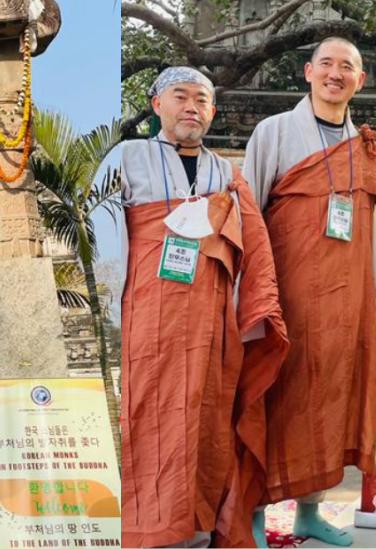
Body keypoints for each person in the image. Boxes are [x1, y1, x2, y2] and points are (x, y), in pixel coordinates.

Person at [119, 66, 288, 547]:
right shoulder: (127, 158)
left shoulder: (225, 171)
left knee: (207, 415)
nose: (191, 106)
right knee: (147, 412)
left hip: (212, 315)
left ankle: (196, 524)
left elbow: (253, 245)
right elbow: (106, 238)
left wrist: (252, 312)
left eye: (202, 100)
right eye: (181, 96)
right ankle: (146, 525)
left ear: (212, 112)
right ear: (156, 105)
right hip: (147, 313)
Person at [244, 38, 376, 548]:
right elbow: (249, 213)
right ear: (307, 72)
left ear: (359, 80)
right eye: (326, 64)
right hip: (287, 295)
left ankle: (309, 511)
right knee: (275, 395)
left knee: (328, 401)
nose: (335, 73)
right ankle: (253, 512)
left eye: (347, 67)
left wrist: (375, 290)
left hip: (345, 299)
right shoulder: (274, 131)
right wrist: (252, 294)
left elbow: (368, 223)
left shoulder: (363, 144)